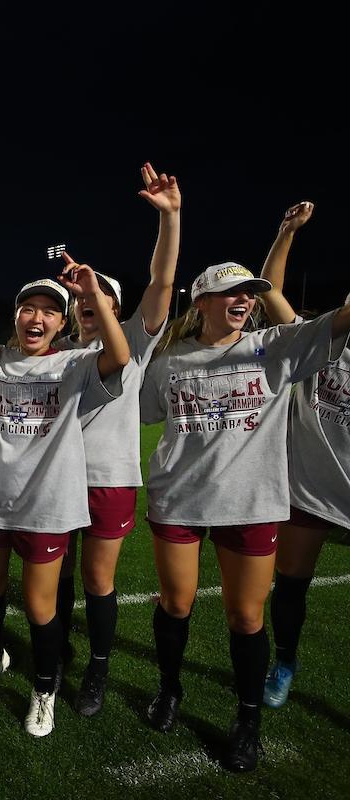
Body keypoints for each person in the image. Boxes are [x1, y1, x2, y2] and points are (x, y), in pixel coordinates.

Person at [141, 260, 350, 771]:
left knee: (246, 616)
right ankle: (170, 691)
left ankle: (247, 720)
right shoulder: (171, 359)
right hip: (179, 499)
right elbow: (143, 412)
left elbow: (341, 321)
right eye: (231, 292)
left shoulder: (274, 346)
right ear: (202, 302)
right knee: (175, 602)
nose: (244, 300)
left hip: (251, 501)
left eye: (250, 293)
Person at [0, 263, 129, 737]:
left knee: (42, 607)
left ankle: (44, 690)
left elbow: (120, 357)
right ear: (16, 314)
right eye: (28, 308)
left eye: (49, 311)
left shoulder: (73, 364)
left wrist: (94, 297)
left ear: (62, 324)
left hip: (46, 506)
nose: (36, 318)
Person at [53, 164, 181, 716]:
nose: (88, 296)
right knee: (53, 573)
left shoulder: (133, 337)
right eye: (82, 292)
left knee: (97, 578)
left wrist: (170, 219)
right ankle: (52, 656)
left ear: (114, 303)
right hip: (55, 481)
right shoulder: (57, 350)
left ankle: (97, 672)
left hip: (108, 479)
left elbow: (162, 285)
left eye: (101, 291)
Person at [255, 202, 350, 709]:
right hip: (313, 489)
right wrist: (286, 231)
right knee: (291, 585)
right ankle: (284, 661)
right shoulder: (319, 347)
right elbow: (271, 295)